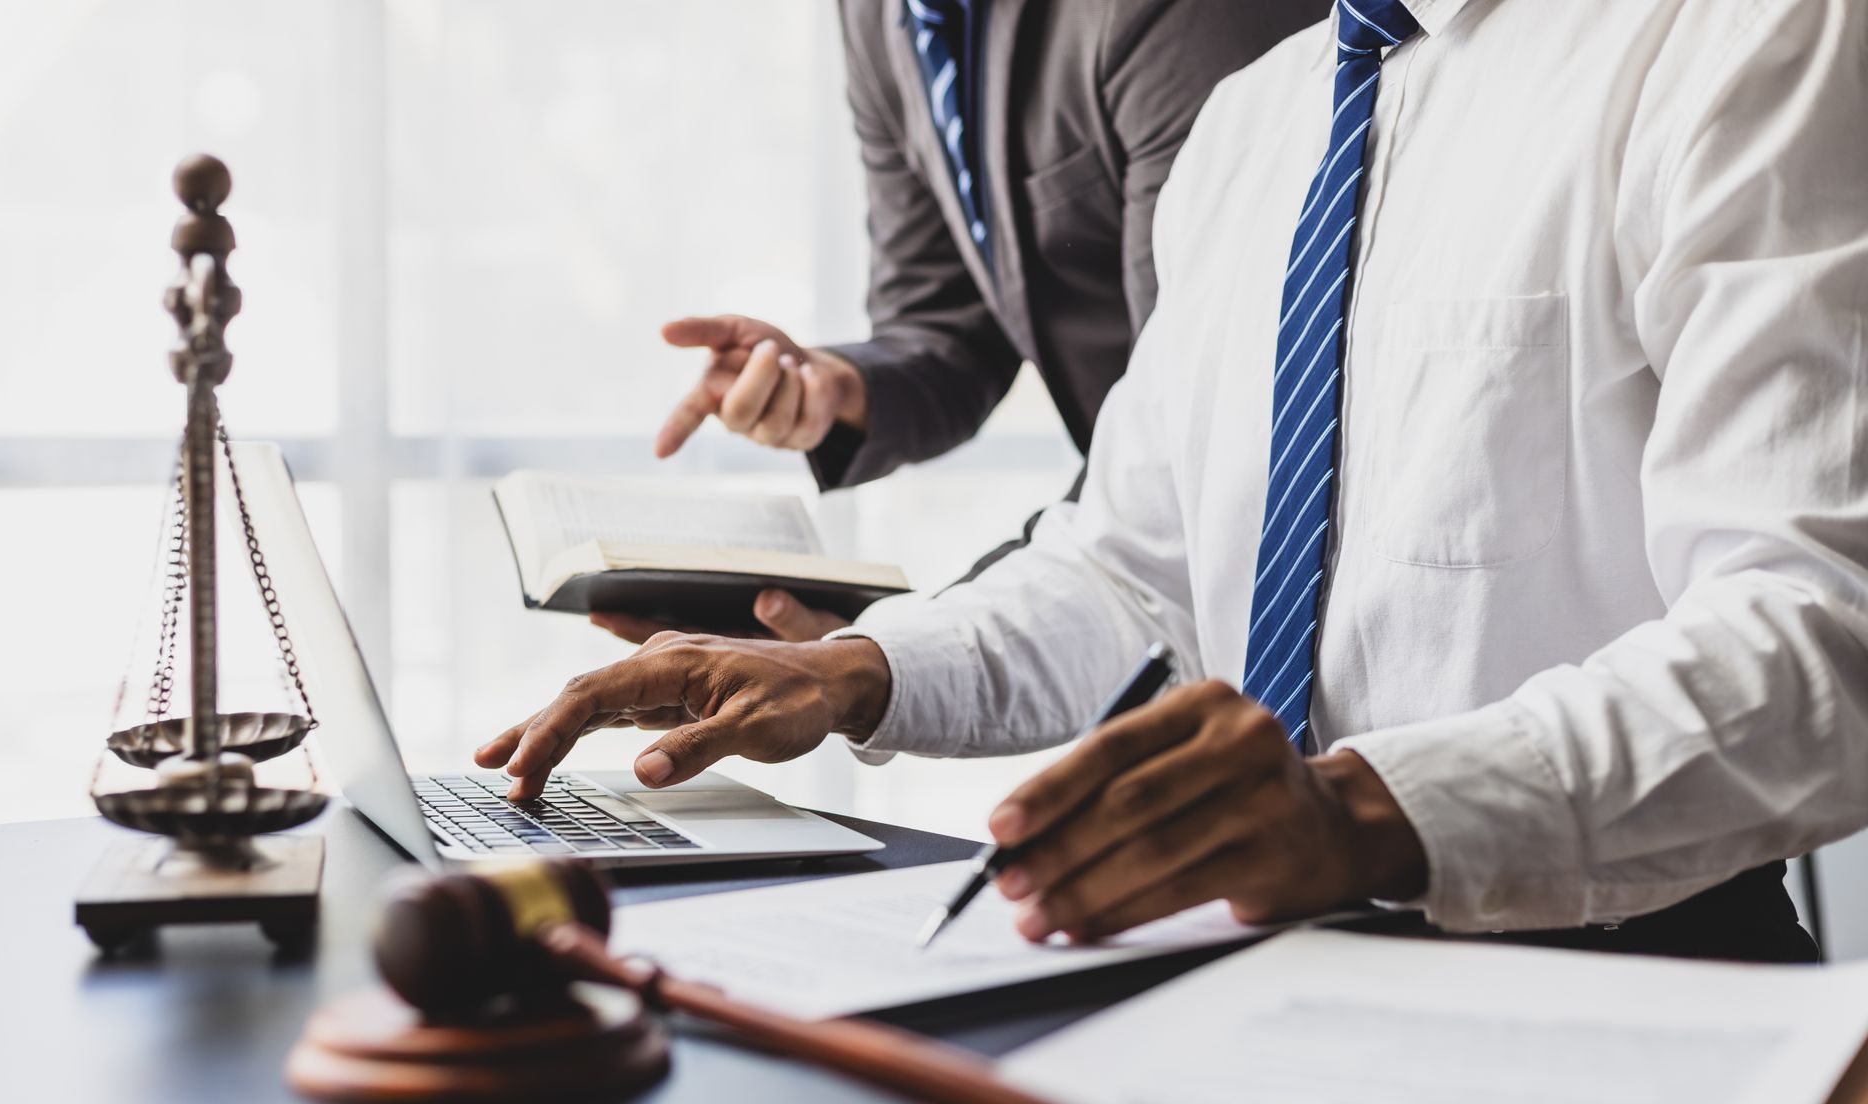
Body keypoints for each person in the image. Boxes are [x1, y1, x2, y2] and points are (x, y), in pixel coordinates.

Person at [483, 0, 1868, 962]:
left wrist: (1369, 811)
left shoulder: (1745, 42)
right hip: (1260, 958)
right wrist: (854, 671)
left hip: (1630, 970)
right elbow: (1128, 564)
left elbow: (1824, 629)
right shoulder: (1255, 126)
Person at [594, 0, 1323, 644]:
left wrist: (886, 655)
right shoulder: (882, 17)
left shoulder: (1164, 14)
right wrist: (836, 387)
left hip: (1277, 569)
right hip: (1157, 563)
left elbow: (1201, 420)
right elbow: (941, 325)